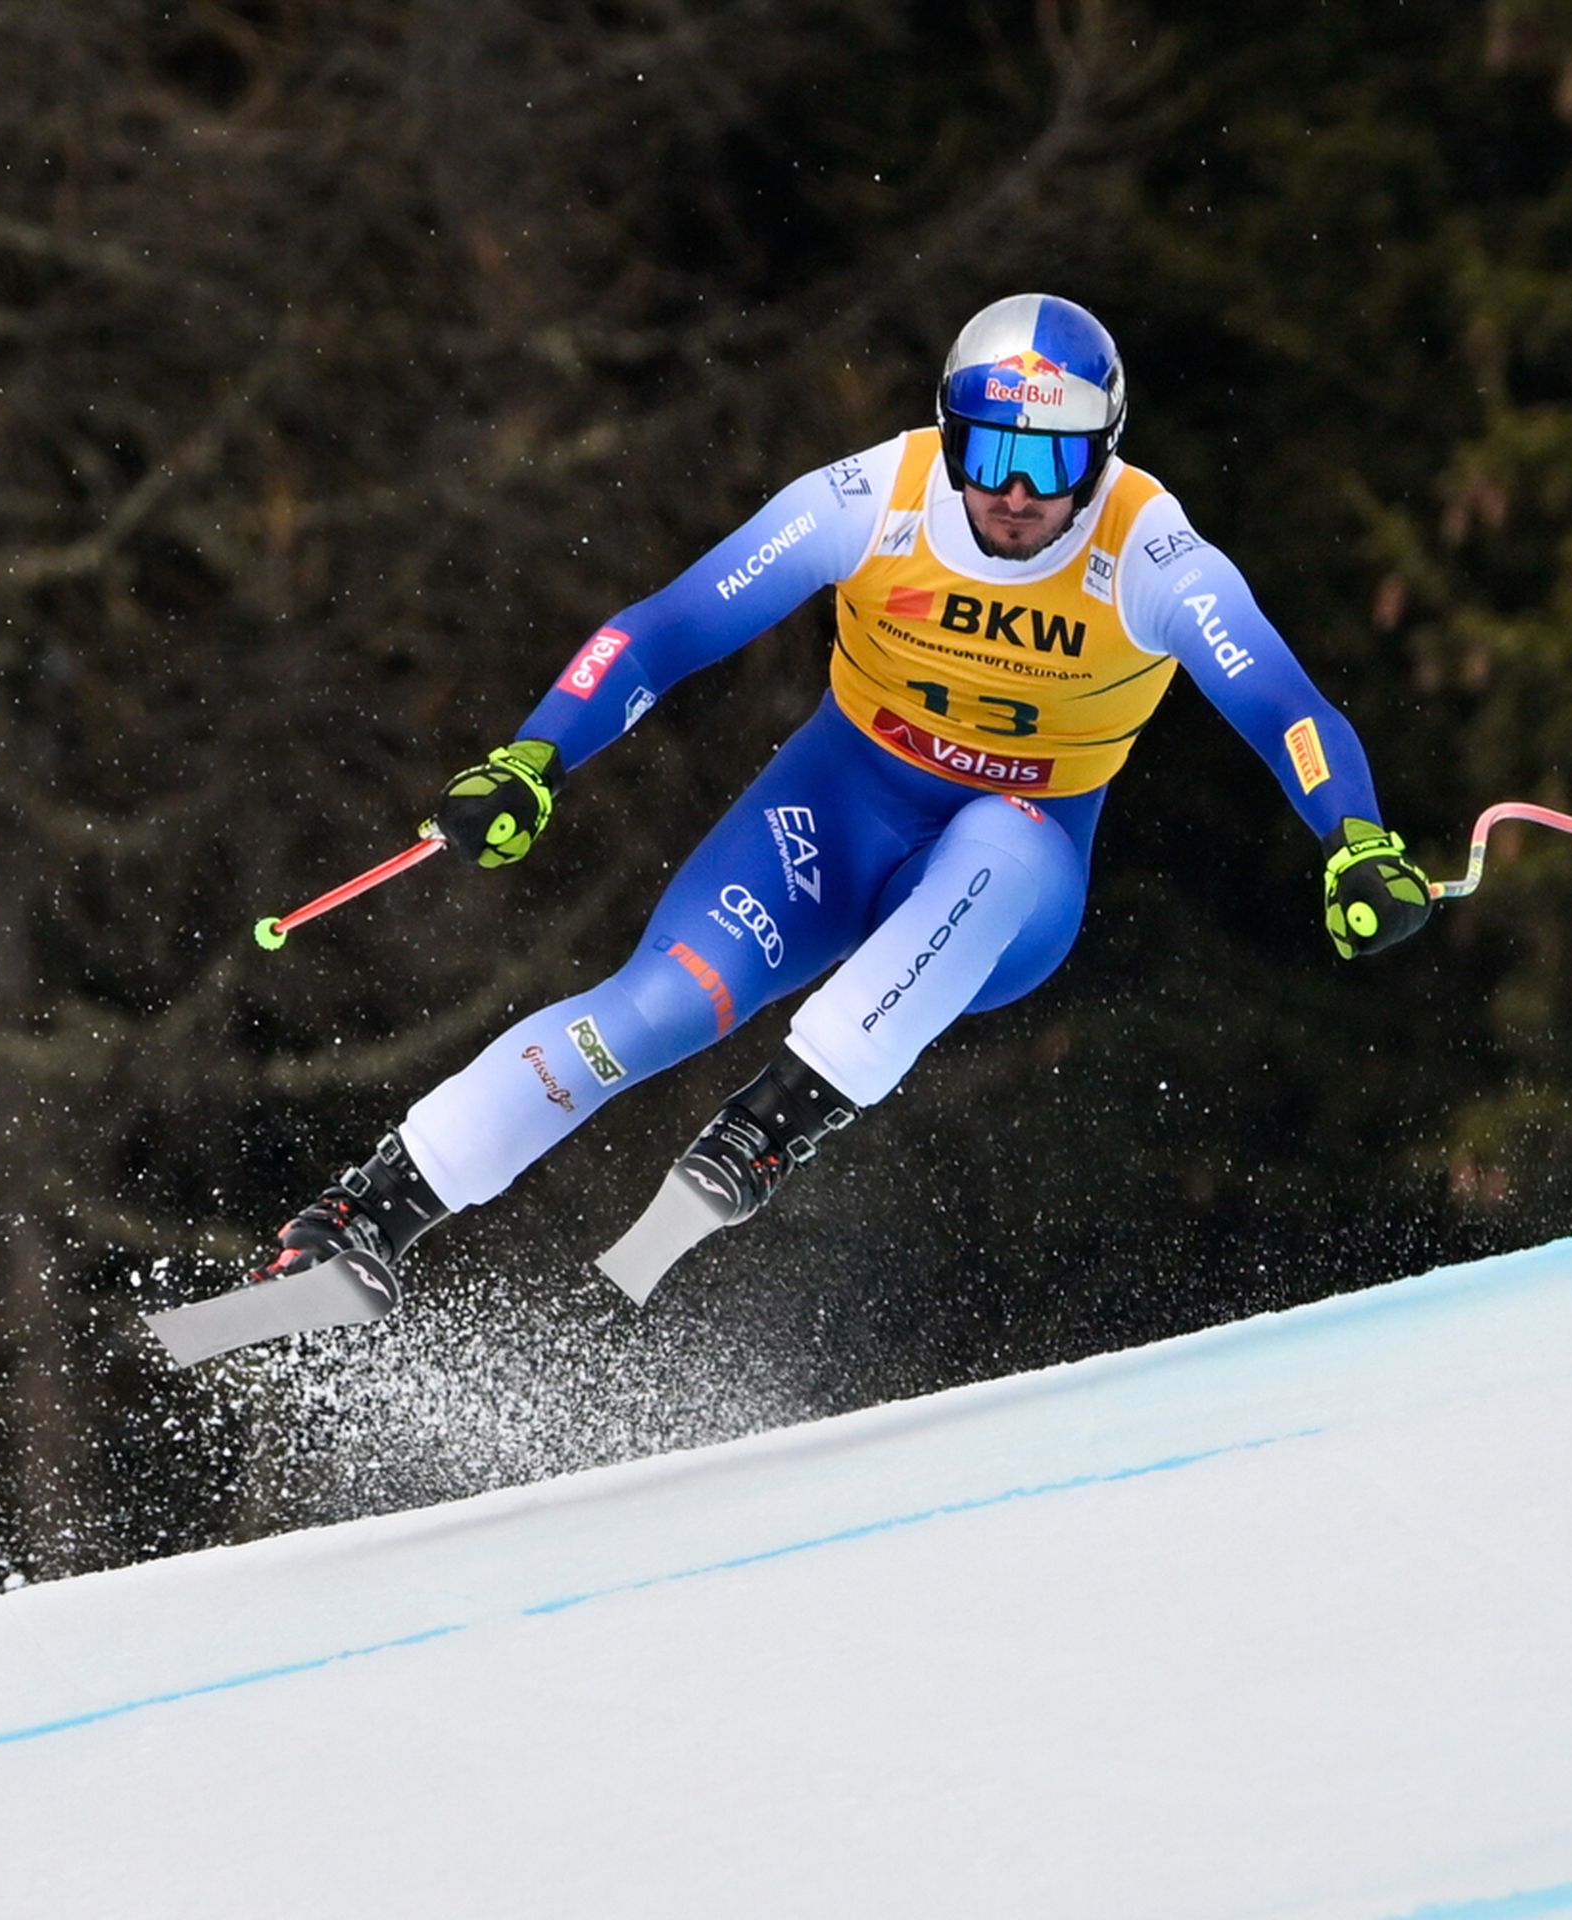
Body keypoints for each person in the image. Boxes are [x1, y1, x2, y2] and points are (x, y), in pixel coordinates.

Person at [252, 293, 1432, 1303]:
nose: (1016, 495)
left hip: (1007, 879)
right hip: (838, 807)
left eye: (1053, 464)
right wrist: (534, 759)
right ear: (947, 433)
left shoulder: (1154, 554)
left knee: (999, 839)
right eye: (989, 453)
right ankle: (369, 1216)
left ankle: (779, 1116)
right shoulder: (876, 498)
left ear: (1105, 455)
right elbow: (664, 630)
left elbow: (1287, 709)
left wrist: (1358, 839)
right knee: (656, 1006)